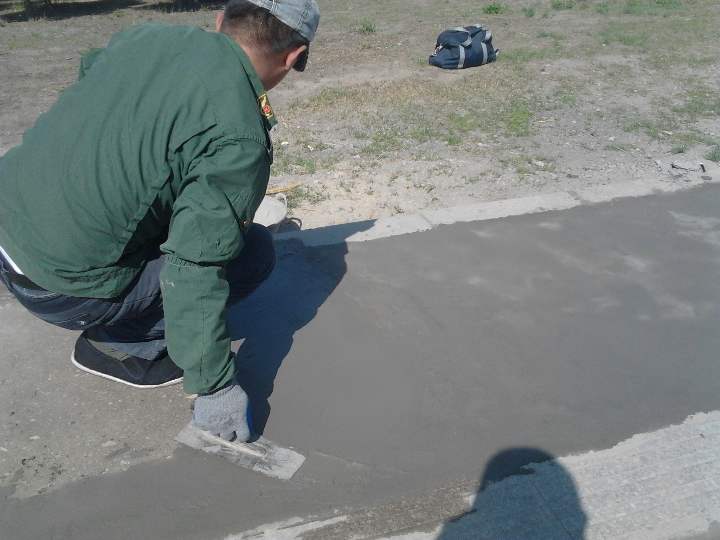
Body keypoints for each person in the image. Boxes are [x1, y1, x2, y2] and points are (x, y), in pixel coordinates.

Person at [0, 0, 320, 443]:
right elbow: (195, 266)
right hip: (56, 288)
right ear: (293, 56)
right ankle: (123, 348)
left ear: (219, 20)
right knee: (252, 254)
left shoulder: (147, 36)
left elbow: (92, 76)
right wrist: (215, 387)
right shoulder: (239, 133)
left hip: (9, 226)